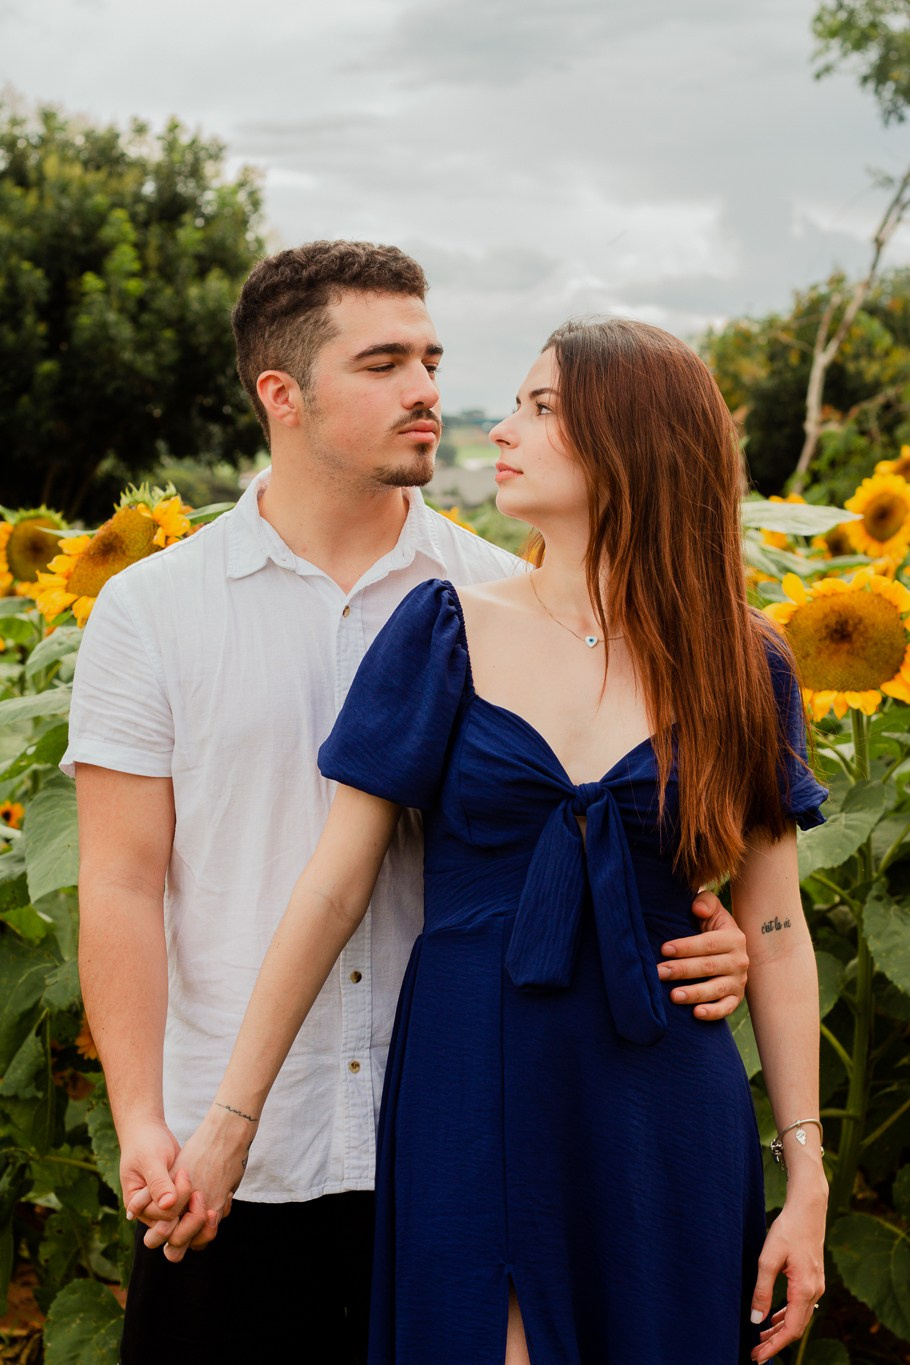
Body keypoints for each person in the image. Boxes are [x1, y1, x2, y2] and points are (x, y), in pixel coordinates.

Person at [69, 244, 751, 1364]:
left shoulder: (495, 595)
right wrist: (145, 1117)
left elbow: (620, 816)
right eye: (384, 362)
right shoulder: (153, 610)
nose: (428, 388)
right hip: (240, 1147)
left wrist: (712, 928)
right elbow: (122, 880)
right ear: (280, 395)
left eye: (431, 357)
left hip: (460, 1132)